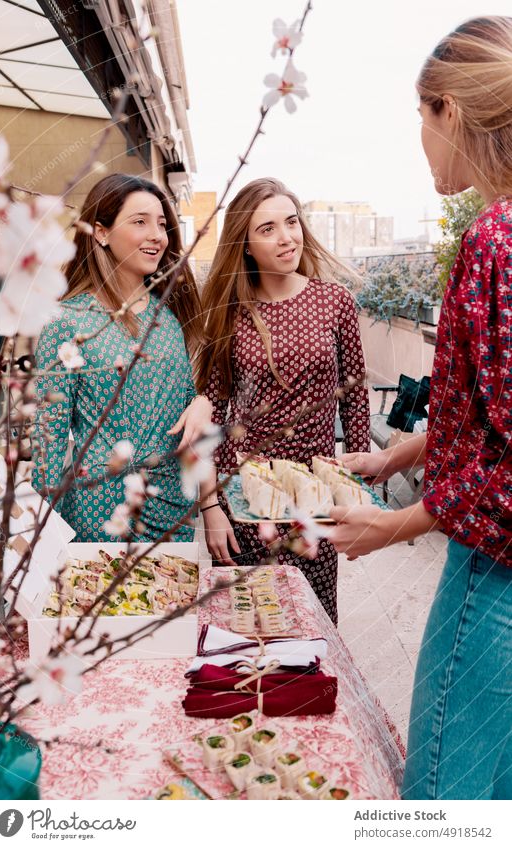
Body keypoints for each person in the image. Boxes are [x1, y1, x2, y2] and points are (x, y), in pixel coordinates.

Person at [328, 17, 512, 799]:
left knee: (444, 804)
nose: (421, 140)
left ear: (450, 111)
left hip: (494, 583)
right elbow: (492, 407)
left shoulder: (495, 240)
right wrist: (396, 455)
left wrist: (394, 523)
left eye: (419, 118)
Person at [197, 178, 370, 623]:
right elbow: (212, 417)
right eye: (268, 228)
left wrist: (354, 490)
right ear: (246, 245)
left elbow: (355, 400)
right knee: (248, 631)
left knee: (313, 627)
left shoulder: (334, 301)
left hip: (315, 494)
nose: (286, 236)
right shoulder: (230, 313)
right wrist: (211, 507)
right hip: (247, 498)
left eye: (291, 222)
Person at [32, 173, 211, 542]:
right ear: (101, 232)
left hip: (172, 507)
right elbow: (48, 436)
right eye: (140, 222)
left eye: (161, 224)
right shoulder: (67, 322)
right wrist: (37, 537)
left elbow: (190, 413)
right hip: (99, 511)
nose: (157, 235)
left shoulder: (170, 316)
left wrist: (203, 400)